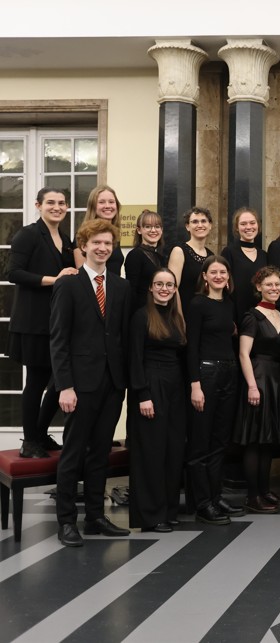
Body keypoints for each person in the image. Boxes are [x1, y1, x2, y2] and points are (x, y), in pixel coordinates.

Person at [50, 218, 131, 547]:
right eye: (96, 242)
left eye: (107, 243)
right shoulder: (68, 285)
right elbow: (58, 339)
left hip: (113, 383)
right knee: (73, 454)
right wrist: (65, 386)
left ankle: (95, 517)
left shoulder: (121, 287)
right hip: (79, 385)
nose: (102, 248)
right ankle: (66, 521)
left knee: (100, 453)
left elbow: (122, 337)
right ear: (83, 246)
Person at [7, 187, 77, 458]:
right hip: (33, 321)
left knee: (58, 380)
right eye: (51, 202)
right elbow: (13, 273)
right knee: (37, 381)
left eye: (61, 203)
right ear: (38, 205)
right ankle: (30, 441)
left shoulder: (64, 237)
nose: (57, 207)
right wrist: (54, 280)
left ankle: (39, 433)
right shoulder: (28, 234)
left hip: (55, 320)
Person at [186, 255, 244, 525]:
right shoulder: (197, 304)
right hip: (206, 374)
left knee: (220, 442)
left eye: (223, 272)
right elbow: (191, 347)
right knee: (201, 443)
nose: (219, 276)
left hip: (229, 373)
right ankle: (202, 504)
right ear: (205, 277)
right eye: (214, 272)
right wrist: (195, 385)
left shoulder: (230, 304)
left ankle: (215, 496)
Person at [128, 268, 186, 533]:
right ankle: (151, 516)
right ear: (150, 288)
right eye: (159, 284)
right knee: (151, 452)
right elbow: (134, 358)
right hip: (150, 386)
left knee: (173, 451)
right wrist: (142, 395)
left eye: (169, 285)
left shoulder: (176, 317)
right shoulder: (141, 316)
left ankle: (168, 510)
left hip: (175, 387)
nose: (164, 289)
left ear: (175, 289)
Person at [236, 266, 280, 513]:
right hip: (258, 378)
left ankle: (265, 491)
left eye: (277, 284)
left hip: (276, 379)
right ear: (259, 287)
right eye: (269, 284)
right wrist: (252, 386)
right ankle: (252, 496)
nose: (274, 288)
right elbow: (243, 353)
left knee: (268, 440)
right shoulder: (252, 316)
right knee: (254, 440)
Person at [221, 207, 268, 323]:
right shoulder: (229, 252)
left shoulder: (264, 255)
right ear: (237, 228)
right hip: (236, 314)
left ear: (258, 225)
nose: (248, 227)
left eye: (252, 223)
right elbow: (223, 287)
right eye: (243, 224)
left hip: (260, 315)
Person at [168, 206, 214, 310]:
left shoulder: (211, 256)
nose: (200, 225)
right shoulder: (179, 251)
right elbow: (173, 289)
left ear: (210, 225)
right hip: (184, 312)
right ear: (187, 226)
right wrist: (179, 316)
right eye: (195, 222)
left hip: (205, 313)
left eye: (203, 221)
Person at [73, 185, 124, 275]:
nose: (107, 206)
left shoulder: (114, 234)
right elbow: (83, 274)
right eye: (101, 202)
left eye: (111, 202)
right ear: (93, 206)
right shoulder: (83, 235)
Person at [123, 209, 166, 308]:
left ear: (161, 230)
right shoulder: (135, 255)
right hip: (142, 311)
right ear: (139, 230)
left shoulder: (160, 257)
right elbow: (131, 291)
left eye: (157, 226)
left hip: (159, 310)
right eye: (148, 227)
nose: (153, 230)